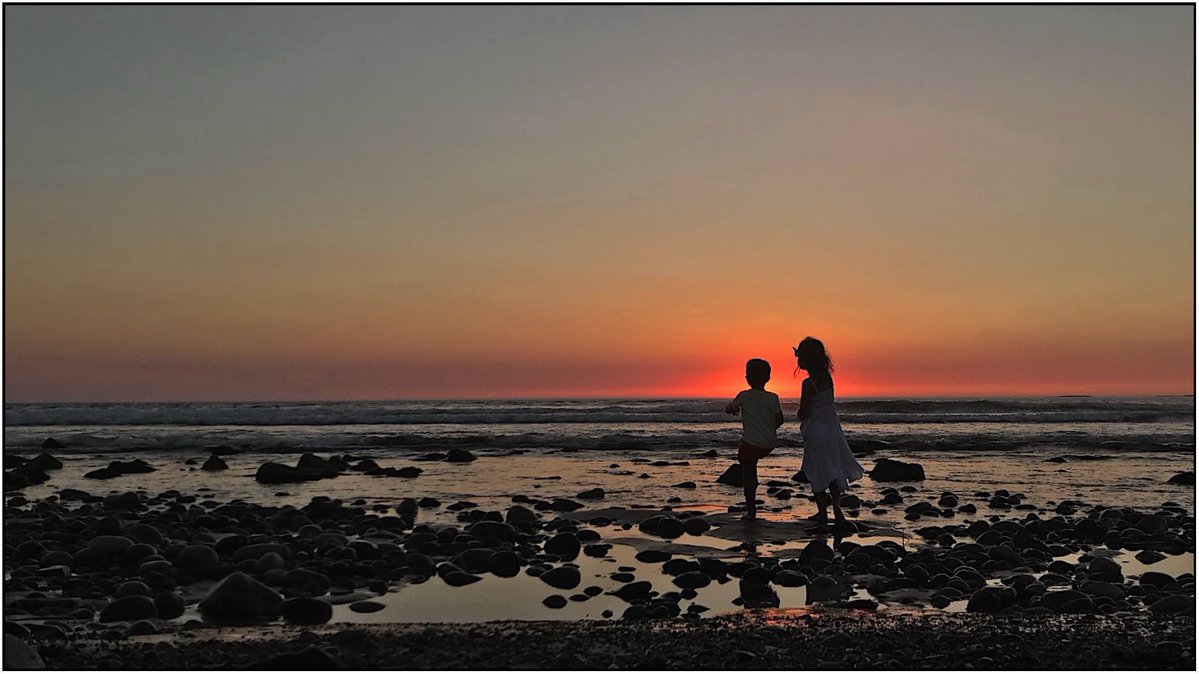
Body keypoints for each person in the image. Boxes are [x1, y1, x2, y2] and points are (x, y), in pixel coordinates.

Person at [794, 337, 863, 530]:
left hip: (815, 430)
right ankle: (837, 509)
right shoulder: (827, 378)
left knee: (817, 469)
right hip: (832, 428)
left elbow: (804, 410)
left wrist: (798, 414)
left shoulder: (808, 383)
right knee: (833, 467)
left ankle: (822, 513)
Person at [725, 358, 785, 520]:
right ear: (768, 378)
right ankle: (754, 483)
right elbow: (780, 420)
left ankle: (751, 511)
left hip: (751, 444)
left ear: (747, 378)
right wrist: (767, 429)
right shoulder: (773, 397)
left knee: (747, 472)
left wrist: (732, 410)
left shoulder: (744, 396)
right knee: (752, 464)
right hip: (769, 444)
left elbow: (729, 408)